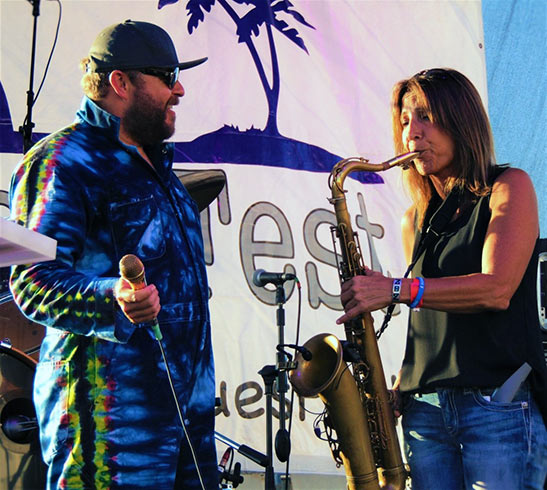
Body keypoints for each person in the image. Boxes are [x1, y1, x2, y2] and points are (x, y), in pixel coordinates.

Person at [9, 20, 218, 489]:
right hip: (111, 434)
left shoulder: (158, 165)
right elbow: (30, 280)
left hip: (188, 427)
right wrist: (113, 298)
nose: (179, 88)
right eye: (166, 76)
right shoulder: (61, 162)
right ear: (120, 82)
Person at [337, 68, 547, 489]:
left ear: (461, 120)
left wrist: (396, 288)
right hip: (425, 412)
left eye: (425, 117)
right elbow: (432, 318)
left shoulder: (509, 186)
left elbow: (496, 289)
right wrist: (399, 384)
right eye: (403, 122)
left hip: (496, 405)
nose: (411, 133)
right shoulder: (413, 218)